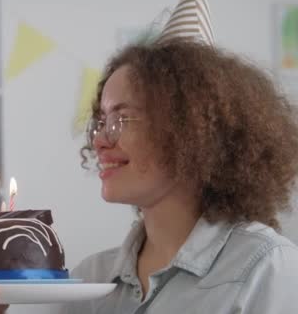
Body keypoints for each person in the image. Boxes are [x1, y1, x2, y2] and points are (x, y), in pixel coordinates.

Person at [64, 35, 298, 313]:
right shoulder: (89, 280)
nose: (99, 141)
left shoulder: (265, 267)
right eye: (101, 121)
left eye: (121, 119)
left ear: (190, 131)